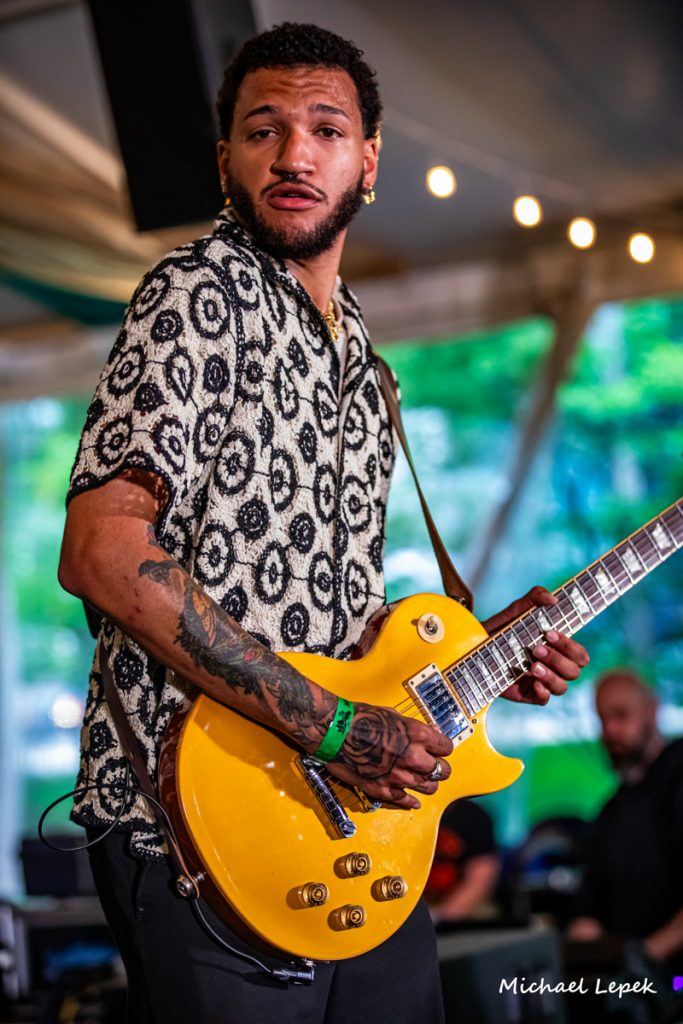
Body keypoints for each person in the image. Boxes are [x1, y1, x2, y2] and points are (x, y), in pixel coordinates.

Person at [57, 22, 589, 1024]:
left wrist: (476, 657)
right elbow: (102, 550)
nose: (293, 155)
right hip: (195, 817)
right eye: (262, 130)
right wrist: (334, 726)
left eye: (325, 130)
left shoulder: (365, 360)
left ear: (368, 161)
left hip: (352, 824)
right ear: (224, 159)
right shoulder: (196, 294)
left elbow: (337, 619)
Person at [569, 669, 683, 974]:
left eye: (621, 715)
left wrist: (645, 957)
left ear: (652, 709)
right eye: (602, 719)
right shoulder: (611, 811)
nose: (610, 730)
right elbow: (589, 911)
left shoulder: (677, 775)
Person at [425, 799, 501, 923]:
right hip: (414, 904)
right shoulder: (401, 812)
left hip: (459, 908)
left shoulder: (472, 815)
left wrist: (439, 915)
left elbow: (481, 878)